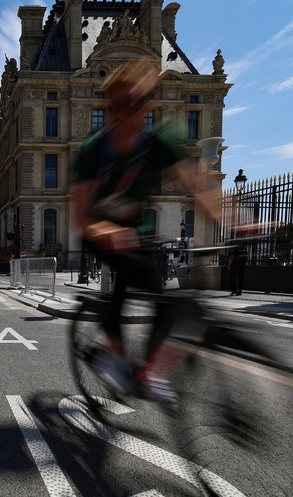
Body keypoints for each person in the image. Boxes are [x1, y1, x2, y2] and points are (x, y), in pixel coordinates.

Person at [69, 60, 215, 406]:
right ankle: (118, 360)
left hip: (137, 232)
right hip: (100, 231)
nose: (126, 114)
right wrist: (108, 232)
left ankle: (148, 370)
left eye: (136, 104)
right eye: (118, 106)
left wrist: (237, 219)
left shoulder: (158, 142)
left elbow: (198, 188)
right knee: (133, 276)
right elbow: (81, 216)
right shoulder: (92, 151)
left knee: (166, 300)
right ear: (108, 110)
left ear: (146, 106)